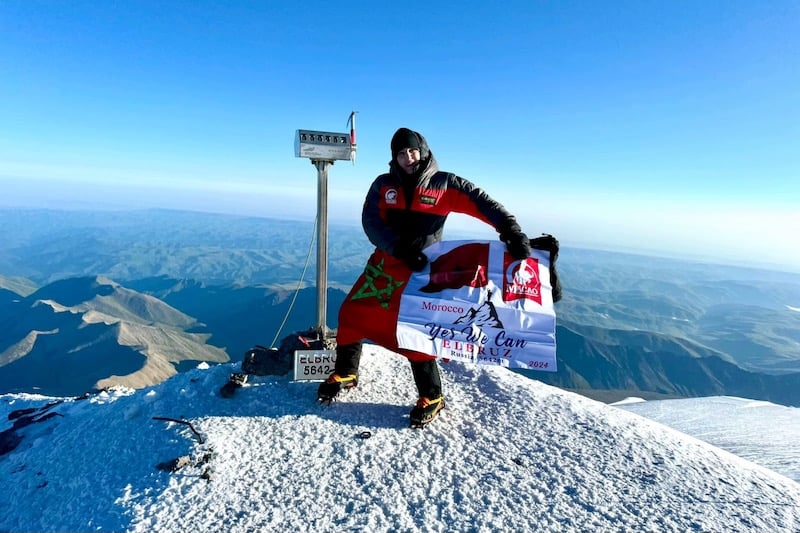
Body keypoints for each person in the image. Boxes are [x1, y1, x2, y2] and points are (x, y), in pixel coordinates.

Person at [317, 127, 560, 427]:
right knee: (352, 312)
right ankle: (346, 372)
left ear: (424, 150)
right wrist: (397, 247)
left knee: (414, 331)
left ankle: (432, 396)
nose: (408, 157)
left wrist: (509, 229)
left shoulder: (443, 184)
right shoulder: (383, 185)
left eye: (413, 151)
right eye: (401, 153)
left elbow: (483, 203)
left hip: (422, 272)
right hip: (384, 265)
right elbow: (370, 221)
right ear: (393, 157)